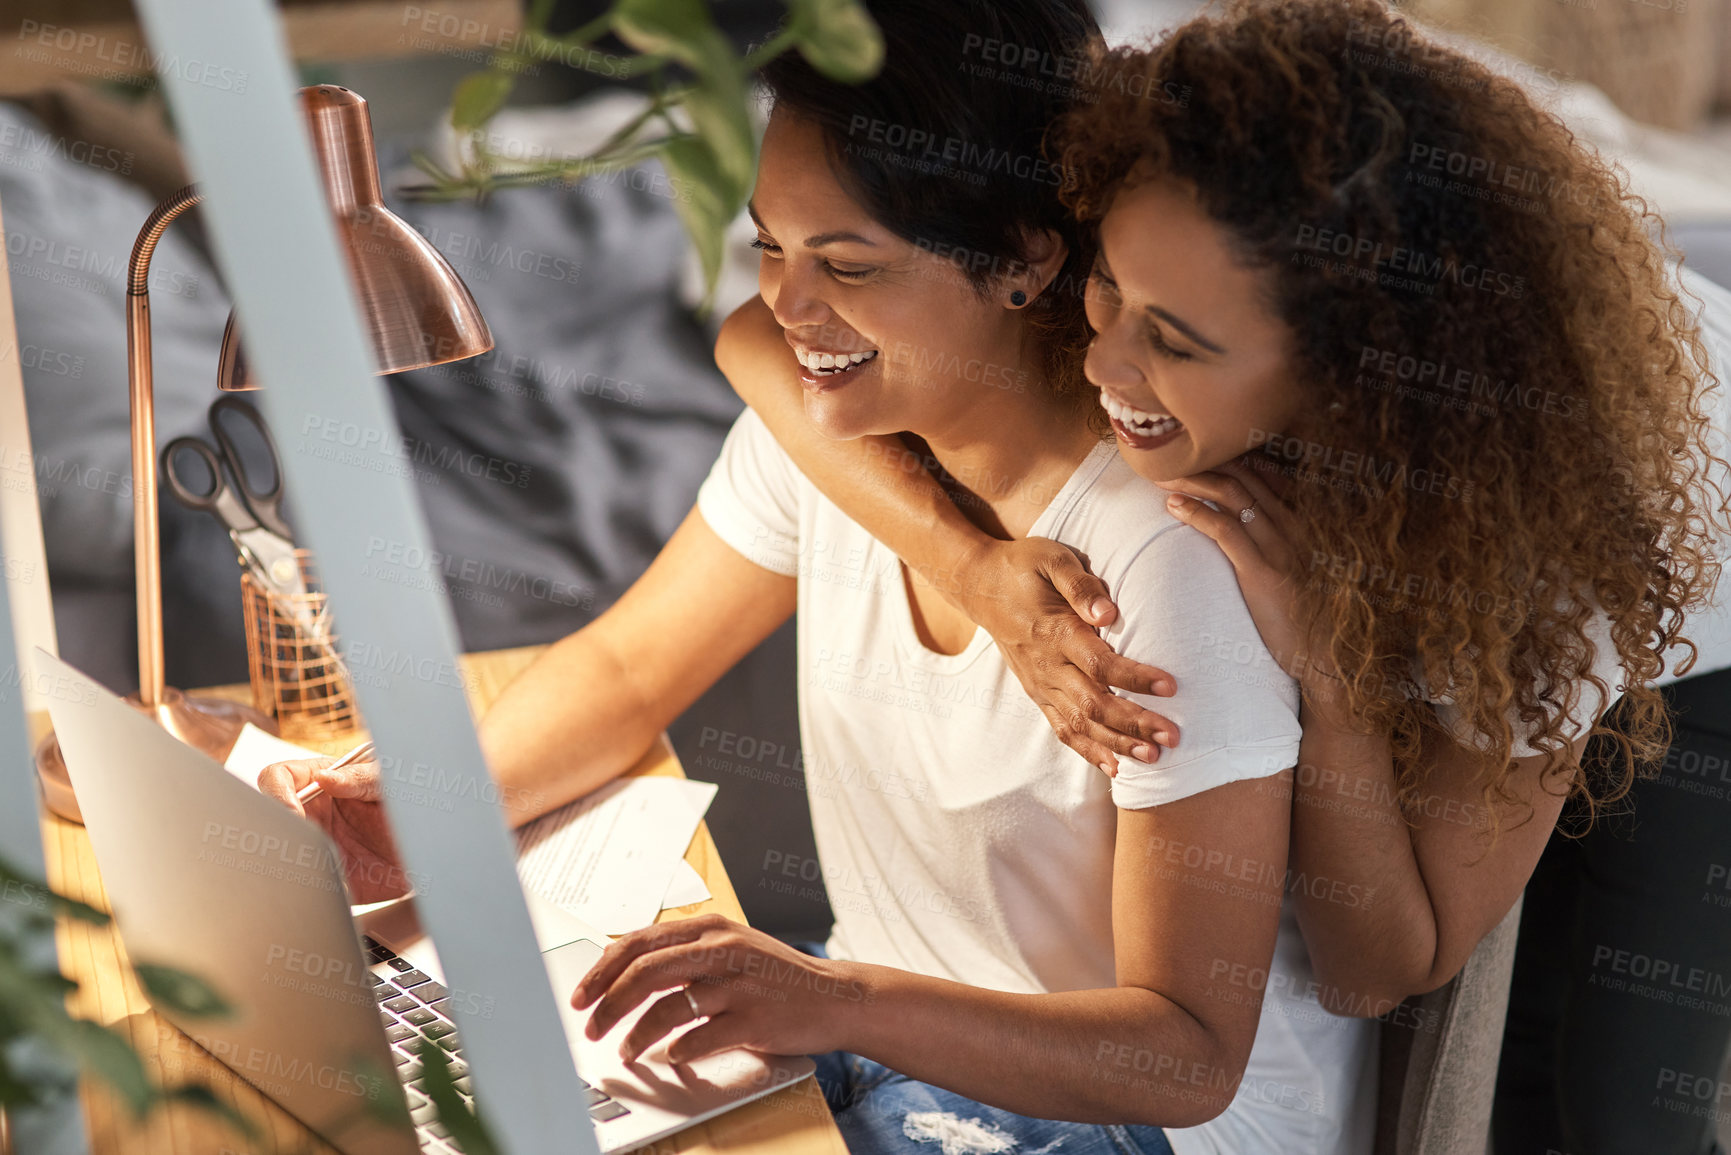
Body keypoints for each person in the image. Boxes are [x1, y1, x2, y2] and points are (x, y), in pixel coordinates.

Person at [262, 1, 1376, 1152]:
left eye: (847, 263)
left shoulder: (1161, 563)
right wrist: (423, 813)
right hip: (887, 1025)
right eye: (770, 245)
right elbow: (631, 664)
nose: (789, 307)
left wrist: (831, 1001)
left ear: (1024, 260)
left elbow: (1183, 1052)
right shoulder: (836, 442)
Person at [717, 0, 1728, 1041]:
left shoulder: (1536, 557)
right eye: (1104, 290)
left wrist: (1332, 681)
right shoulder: (1172, 264)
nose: (1100, 363)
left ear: (1341, 379)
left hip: (1685, 588)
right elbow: (752, 339)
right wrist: (975, 568)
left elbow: (1382, 969)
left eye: (1175, 343)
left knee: (1613, 1062)